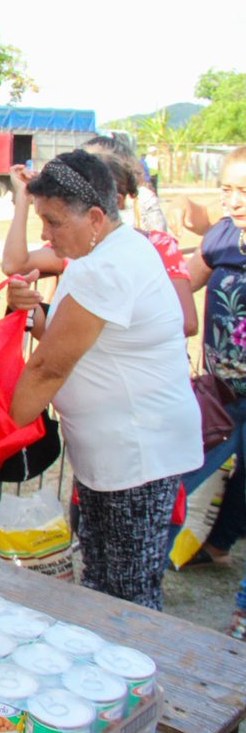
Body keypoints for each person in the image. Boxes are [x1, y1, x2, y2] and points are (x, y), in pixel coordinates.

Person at [8, 149, 200, 610]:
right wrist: (31, 307)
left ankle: (132, 678)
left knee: (127, 596)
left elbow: (49, 366)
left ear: (95, 217)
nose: (44, 234)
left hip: (136, 455)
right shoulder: (110, 250)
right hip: (119, 452)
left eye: (53, 222)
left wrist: (4, 422)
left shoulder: (108, 266)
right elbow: (63, 336)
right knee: (104, 583)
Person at [1, 139, 198, 337]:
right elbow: (14, 265)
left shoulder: (150, 248)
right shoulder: (76, 249)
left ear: (114, 201)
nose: (45, 233)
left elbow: (187, 322)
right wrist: (28, 305)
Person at [180, 146, 246, 637]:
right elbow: (184, 283)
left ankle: (223, 554)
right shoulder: (224, 236)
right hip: (221, 395)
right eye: (227, 189)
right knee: (187, 467)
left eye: (244, 191)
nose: (234, 202)